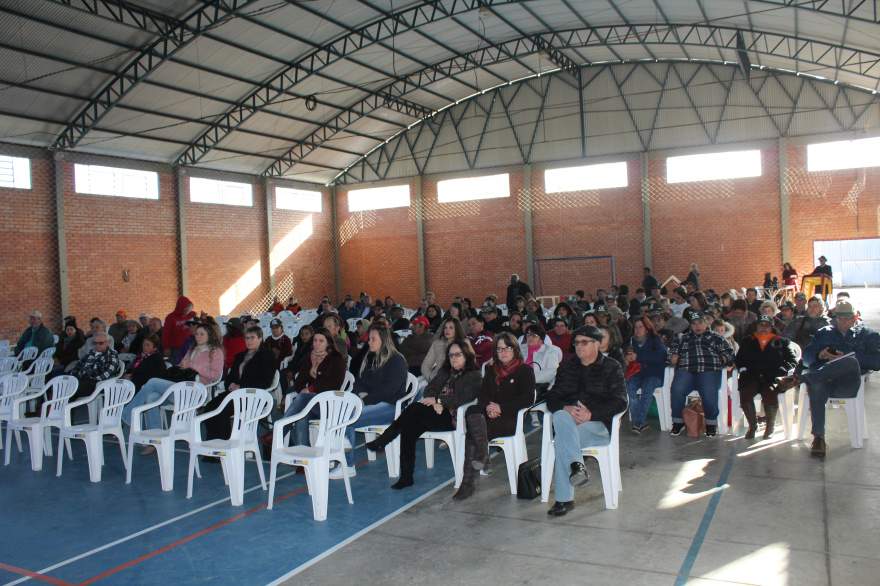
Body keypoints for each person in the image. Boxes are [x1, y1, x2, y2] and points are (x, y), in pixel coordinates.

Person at [366, 341, 481, 489]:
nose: (453, 358)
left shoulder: (474, 375)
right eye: (451, 355)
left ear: (467, 355)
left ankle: (385, 438)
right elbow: (430, 389)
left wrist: (440, 400)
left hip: (454, 416)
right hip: (435, 411)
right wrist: (435, 402)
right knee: (409, 427)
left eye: (458, 354)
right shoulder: (446, 371)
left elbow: (464, 397)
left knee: (414, 409)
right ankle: (406, 477)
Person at [543, 326, 628, 516]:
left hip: (597, 425)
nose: (579, 347)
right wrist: (566, 408)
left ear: (597, 344)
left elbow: (620, 401)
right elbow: (552, 397)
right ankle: (577, 466)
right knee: (560, 416)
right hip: (569, 422)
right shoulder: (568, 366)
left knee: (562, 442)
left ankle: (564, 499)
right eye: (576, 343)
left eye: (584, 342)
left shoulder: (611, 366)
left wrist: (592, 414)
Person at [455, 332, 535, 500]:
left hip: (510, 418)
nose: (503, 352)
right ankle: (482, 455)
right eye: (499, 349)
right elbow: (483, 395)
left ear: (515, 349)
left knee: (472, 434)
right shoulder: (492, 370)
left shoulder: (525, 370)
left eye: (507, 348)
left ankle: (468, 483)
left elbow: (527, 399)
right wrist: (489, 408)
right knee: (472, 412)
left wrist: (501, 408)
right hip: (489, 416)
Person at [802, 300, 880, 456]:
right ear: (835, 318)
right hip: (824, 381)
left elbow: (877, 361)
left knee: (849, 360)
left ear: (855, 318)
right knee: (816, 385)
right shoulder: (824, 332)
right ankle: (818, 437)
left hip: (848, 384)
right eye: (840, 318)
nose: (843, 321)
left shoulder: (867, 335)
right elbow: (805, 358)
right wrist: (819, 355)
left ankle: (803, 379)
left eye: (847, 318)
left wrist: (846, 357)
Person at [123, 323, 224, 431]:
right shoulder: (192, 349)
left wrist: (193, 366)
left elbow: (215, 375)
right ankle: (155, 435)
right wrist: (182, 366)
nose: (197, 336)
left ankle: (127, 415)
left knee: (153, 381)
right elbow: (182, 365)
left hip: (197, 391)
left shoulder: (215, 352)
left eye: (201, 334)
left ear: (209, 335)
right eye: (196, 334)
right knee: (151, 397)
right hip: (180, 387)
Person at [341, 325, 409, 476]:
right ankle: (339, 454)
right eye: (368, 339)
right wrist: (358, 395)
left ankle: (347, 466)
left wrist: (366, 399)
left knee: (348, 418)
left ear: (384, 341)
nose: (369, 342)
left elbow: (389, 390)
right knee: (341, 412)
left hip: (391, 407)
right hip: (376, 403)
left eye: (373, 339)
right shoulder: (372, 358)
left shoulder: (396, 360)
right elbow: (360, 382)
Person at [203, 326, 276, 441]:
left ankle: (223, 446)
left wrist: (242, 386)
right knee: (209, 408)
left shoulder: (267, 356)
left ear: (260, 338)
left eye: (252, 338)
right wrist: (231, 384)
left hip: (253, 395)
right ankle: (212, 445)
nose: (249, 341)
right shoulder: (240, 356)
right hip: (235, 394)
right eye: (247, 338)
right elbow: (230, 377)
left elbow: (265, 382)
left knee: (221, 411)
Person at [668, 313, 735, 437]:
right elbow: (671, 355)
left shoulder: (716, 337)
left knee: (708, 390)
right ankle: (678, 421)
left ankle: (710, 423)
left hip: (708, 369)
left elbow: (730, 354)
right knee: (677, 388)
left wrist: (721, 359)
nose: (697, 326)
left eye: (700, 323)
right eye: (694, 323)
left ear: (706, 323)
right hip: (687, 369)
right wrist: (673, 357)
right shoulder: (682, 338)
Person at [735, 315, 798, 439]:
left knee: (769, 393)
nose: (763, 328)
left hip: (772, 376)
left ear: (771, 326)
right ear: (756, 326)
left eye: (767, 325)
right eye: (761, 325)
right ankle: (753, 426)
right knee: (745, 393)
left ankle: (770, 427)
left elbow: (792, 359)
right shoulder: (748, 340)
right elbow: (739, 358)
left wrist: (783, 369)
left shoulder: (782, 341)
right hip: (751, 375)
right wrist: (742, 367)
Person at [282, 327, 347, 446]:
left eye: (321, 341)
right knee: (302, 413)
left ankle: (279, 431)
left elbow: (332, 385)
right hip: (312, 403)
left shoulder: (336, 359)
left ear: (328, 343)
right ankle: (303, 454)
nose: (317, 344)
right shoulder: (310, 357)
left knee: (302, 399)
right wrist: (305, 385)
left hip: (329, 403)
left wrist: (311, 388)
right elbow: (298, 382)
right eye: (315, 340)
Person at [625, 317, 667, 433]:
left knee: (647, 389)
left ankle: (637, 422)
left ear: (647, 329)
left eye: (640, 327)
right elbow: (628, 358)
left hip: (654, 374)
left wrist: (638, 357)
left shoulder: (655, 340)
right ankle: (640, 422)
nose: (637, 330)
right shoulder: (631, 341)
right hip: (638, 373)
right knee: (629, 387)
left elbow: (661, 357)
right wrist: (627, 359)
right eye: (635, 327)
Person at [70, 332, 121, 408]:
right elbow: (78, 366)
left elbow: (104, 375)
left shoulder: (111, 356)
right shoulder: (91, 353)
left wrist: (85, 372)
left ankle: (61, 412)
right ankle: (61, 410)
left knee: (71, 389)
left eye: (100, 343)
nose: (97, 345)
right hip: (83, 380)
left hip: (97, 384)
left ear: (107, 343)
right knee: (64, 383)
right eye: (95, 343)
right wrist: (73, 376)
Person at [421, 317, 468, 382]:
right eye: (445, 328)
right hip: (437, 379)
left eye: (451, 328)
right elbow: (425, 366)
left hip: (458, 380)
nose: (447, 330)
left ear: (457, 329)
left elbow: (470, 364)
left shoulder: (464, 343)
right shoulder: (437, 344)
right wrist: (430, 378)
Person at [520, 324, 561, 397]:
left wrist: (527, 378)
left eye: (534, 335)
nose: (530, 337)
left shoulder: (551, 351)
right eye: (528, 334)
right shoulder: (520, 349)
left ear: (541, 339)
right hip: (518, 383)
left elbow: (551, 372)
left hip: (538, 387)